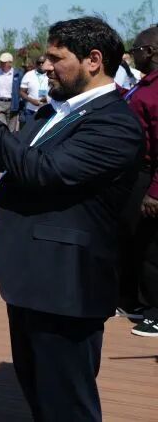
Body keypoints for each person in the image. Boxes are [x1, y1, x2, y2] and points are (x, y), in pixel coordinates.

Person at [0, 17, 143, 421]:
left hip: (67, 283)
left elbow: (42, 171)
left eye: (56, 58)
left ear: (93, 60)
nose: (45, 66)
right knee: (38, 393)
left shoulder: (114, 123)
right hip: (31, 276)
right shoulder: (52, 112)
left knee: (67, 404)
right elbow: (7, 158)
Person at [115, 26, 158, 336]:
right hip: (136, 174)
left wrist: (155, 191)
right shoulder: (145, 85)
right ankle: (135, 301)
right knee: (134, 239)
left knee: (152, 248)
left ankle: (156, 311)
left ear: (151, 51)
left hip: (150, 176)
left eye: (136, 50)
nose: (133, 55)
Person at [0, 53, 23, 132]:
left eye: (4, 62)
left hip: (13, 103)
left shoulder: (18, 74)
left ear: (10, 63)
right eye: (1, 62)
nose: (1, 63)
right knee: (2, 127)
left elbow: (21, 89)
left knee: (11, 129)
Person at [18, 55, 50, 126]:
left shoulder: (52, 74)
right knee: (29, 131)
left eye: (43, 62)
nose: (41, 64)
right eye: (39, 62)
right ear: (36, 64)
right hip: (30, 110)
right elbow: (21, 92)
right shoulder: (29, 75)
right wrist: (32, 101)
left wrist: (47, 98)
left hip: (47, 110)